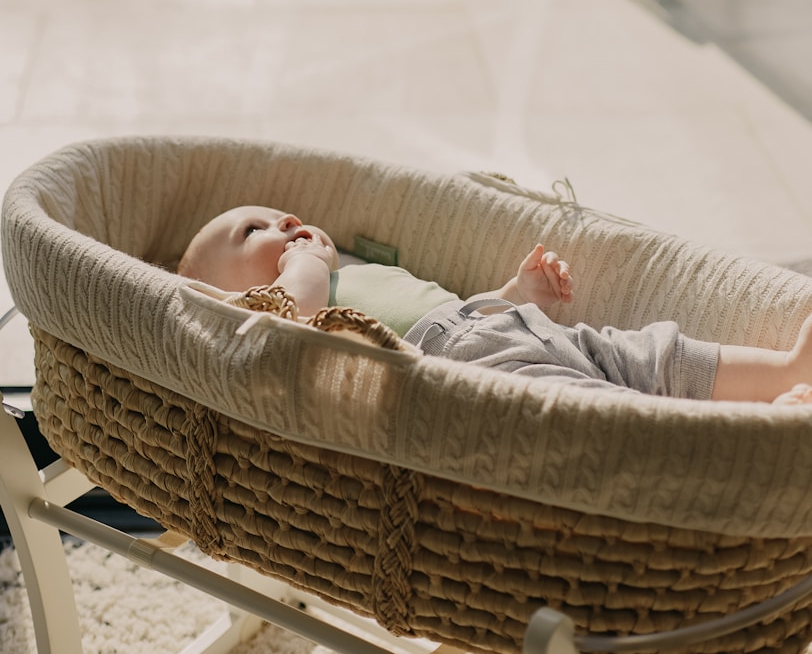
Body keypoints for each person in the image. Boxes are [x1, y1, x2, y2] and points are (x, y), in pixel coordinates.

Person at [177, 204, 812, 406]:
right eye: (251, 232)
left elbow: (450, 311)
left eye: (276, 211)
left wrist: (515, 295)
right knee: (599, 410)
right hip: (460, 367)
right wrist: (305, 270)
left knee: (649, 353)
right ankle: (744, 434)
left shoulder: (354, 272)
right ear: (230, 293)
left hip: (496, 330)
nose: (282, 220)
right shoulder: (274, 307)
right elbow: (282, 329)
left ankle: (783, 373)